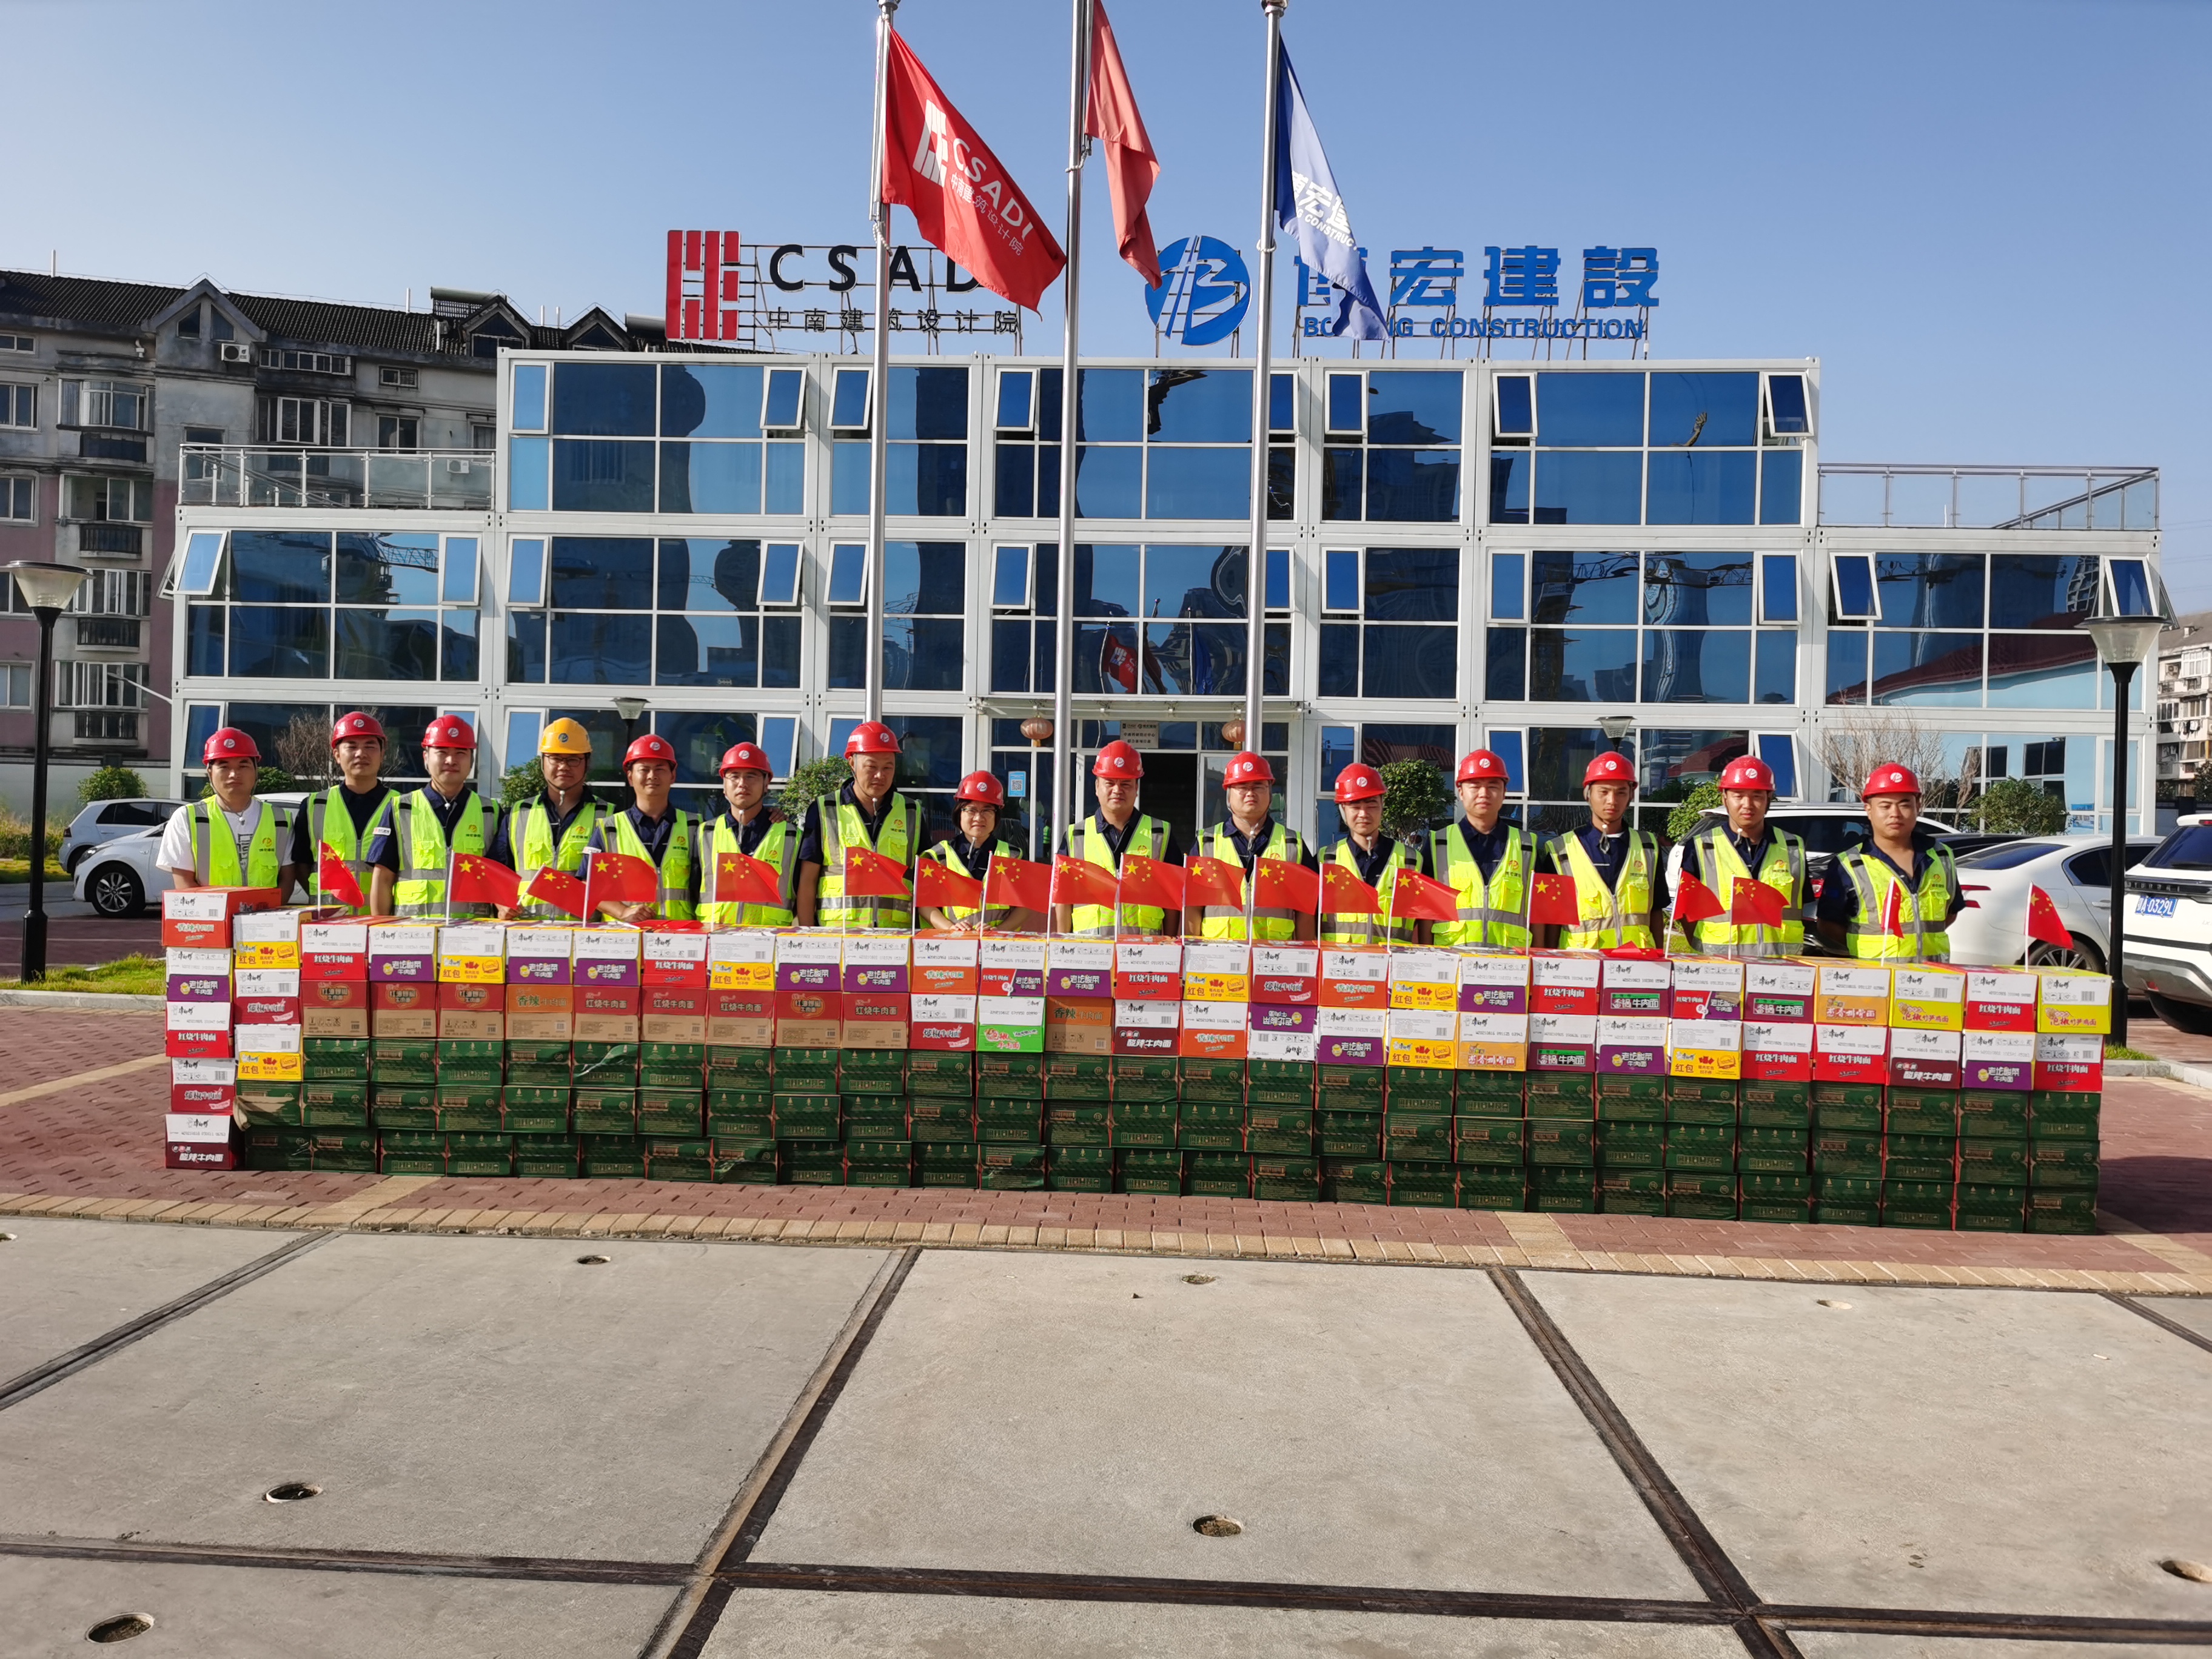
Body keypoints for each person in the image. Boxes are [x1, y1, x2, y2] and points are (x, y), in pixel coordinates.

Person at [1815, 763, 1963, 961]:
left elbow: (1950, 913)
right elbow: (1827, 925)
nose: (1895, 813)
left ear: (1918, 806)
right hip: (1874, 976)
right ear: (1869, 810)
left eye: (1905, 804)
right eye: (1885, 806)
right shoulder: (1849, 865)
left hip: (1932, 974)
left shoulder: (1941, 856)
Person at [1675, 754, 1808, 956]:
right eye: (1738, 795)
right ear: (1725, 798)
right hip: (1721, 966)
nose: (1748, 804)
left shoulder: (1793, 848)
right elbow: (1686, 911)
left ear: (1768, 799)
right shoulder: (1702, 847)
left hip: (1779, 966)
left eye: (1757, 796)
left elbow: (1803, 907)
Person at [1054, 740, 1183, 938]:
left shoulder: (1159, 833)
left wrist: (1171, 941)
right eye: (1110, 783)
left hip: (1145, 947)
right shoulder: (1077, 835)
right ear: (1097, 787)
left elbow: (1173, 895)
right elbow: (1063, 895)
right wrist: (1062, 942)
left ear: (1136, 788)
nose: (1117, 790)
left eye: (1125, 784)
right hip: (1088, 947)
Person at [796, 722, 917, 930]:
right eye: (871, 767)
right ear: (852, 763)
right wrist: (807, 935)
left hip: (895, 936)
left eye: (888, 767)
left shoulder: (911, 812)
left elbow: (923, 881)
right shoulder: (825, 809)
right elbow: (807, 881)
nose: (880, 776)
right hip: (837, 934)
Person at [1542, 751, 1669, 949]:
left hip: (1638, 964)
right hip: (1581, 964)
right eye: (1604, 792)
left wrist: (1660, 959)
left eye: (1621, 792)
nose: (1612, 800)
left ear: (1631, 795)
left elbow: (1655, 912)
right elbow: (1551, 920)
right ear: (1588, 794)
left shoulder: (1648, 847)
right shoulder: (1560, 851)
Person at [1188, 751, 1316, 942]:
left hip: (1275, 954)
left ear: (1270, 792)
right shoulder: (1206, 843)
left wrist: (1305, 953)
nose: (1250, 793)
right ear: (1229, 794)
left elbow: (1306, 908)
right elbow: (1192, 906)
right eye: (1242, 787)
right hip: (1218, 954)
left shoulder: (1292, 844)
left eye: (1258, 786)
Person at [491, 717, 604, 920]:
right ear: (542, 761)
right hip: (526, 930)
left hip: (584, 932)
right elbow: (495, 871)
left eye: (573, 760)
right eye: (555, 758)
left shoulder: (608, 817)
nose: (563, 766)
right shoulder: (518, 813)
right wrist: (501, 903)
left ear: (587, 763)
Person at [391, 717, 504, 919]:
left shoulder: (490, 811)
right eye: (442, 752)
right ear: (426, 758)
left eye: (461, 753)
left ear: (472, 761)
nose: (451, 761)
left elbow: (500, 878)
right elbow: (383, 878)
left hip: (473, 932)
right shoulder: (401, 809)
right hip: (412, 931)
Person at [158, 728, 296, 894]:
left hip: (266, 911)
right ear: (210, 772)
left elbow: (287, 881)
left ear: (255, 770)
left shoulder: (280, 820)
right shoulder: (187, 818)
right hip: (207, 911)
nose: (234, 774)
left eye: (243, 765)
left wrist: (261, 909)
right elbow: (184, 884)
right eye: (224, 766)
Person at [288, 710, 398, 915]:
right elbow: (302, 866)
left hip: (382, 923)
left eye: (370, 746)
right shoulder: (315, 806)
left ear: (382, 754)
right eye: (352, 746)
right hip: (328, 923)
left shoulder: (402, 807)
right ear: (337, 755)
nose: (361, 754)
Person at [1429, 748, 1533, 950]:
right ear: (1461, 792)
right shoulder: (1438, 844)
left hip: (1511, 962)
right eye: (1475, 786)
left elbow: (1538, 916)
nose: (1484, 794)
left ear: (1504, 792)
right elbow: (1426, 913)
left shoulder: (1527, 847)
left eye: (1493, 786)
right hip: (1453, 960)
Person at [588, 732, 697, 922]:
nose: (652, 776)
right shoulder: (609, 829)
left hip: (679, 934)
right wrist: (622, 912)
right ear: (630, 777)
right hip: (624, 935)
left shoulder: (694, 827)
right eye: (644, 769)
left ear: (673, 776)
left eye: (660, 769)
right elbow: (587, 884)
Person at [1319, 763, 1429, 945]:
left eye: (1371, 805)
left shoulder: (1411, 861)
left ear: (1382, 805)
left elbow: (1423, 923)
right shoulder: (1326, 860)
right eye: (1355, 806)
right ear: (1343, 809)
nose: (1363, 814)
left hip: (1394, 961)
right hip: (1342, 961)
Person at [923, 771, 1041, 932]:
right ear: (959, 812)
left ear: (996, 816)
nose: (979, 818)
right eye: (971, 810)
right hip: (952, 942)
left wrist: (999, 931)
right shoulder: (939, 856)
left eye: (987, 810)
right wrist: (951, 928)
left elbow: (1025, 906)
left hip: (1000, 943)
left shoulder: (1013, 856)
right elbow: (925, 904)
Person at [699, 740, 794, 927]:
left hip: (770, 939)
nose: (742, 784)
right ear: (724, 784)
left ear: (766, 784)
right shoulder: (704, 834)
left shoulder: (791, 836)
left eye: (751, 776)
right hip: (716, 938)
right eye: (734, 776)